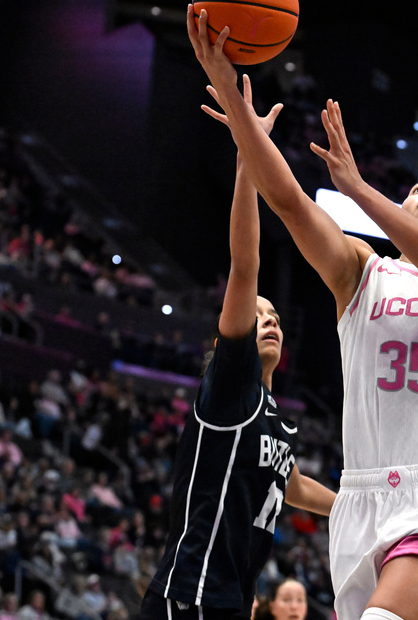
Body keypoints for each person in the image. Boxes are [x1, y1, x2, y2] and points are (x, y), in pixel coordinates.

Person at [187, 6, 418, 620]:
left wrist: (361, 192)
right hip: (360, 495)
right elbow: (287, 201)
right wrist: (235, 105)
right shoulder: (361, 271)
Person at [138, 73, 336, 620]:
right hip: (193, 593)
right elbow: (245, 263)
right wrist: (250, 155)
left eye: (275, 317)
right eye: (258, 314)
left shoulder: (277, 418)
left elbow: (291, 485)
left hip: (228, 597)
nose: (268, 321)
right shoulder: (230, 387)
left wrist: (354, 506)